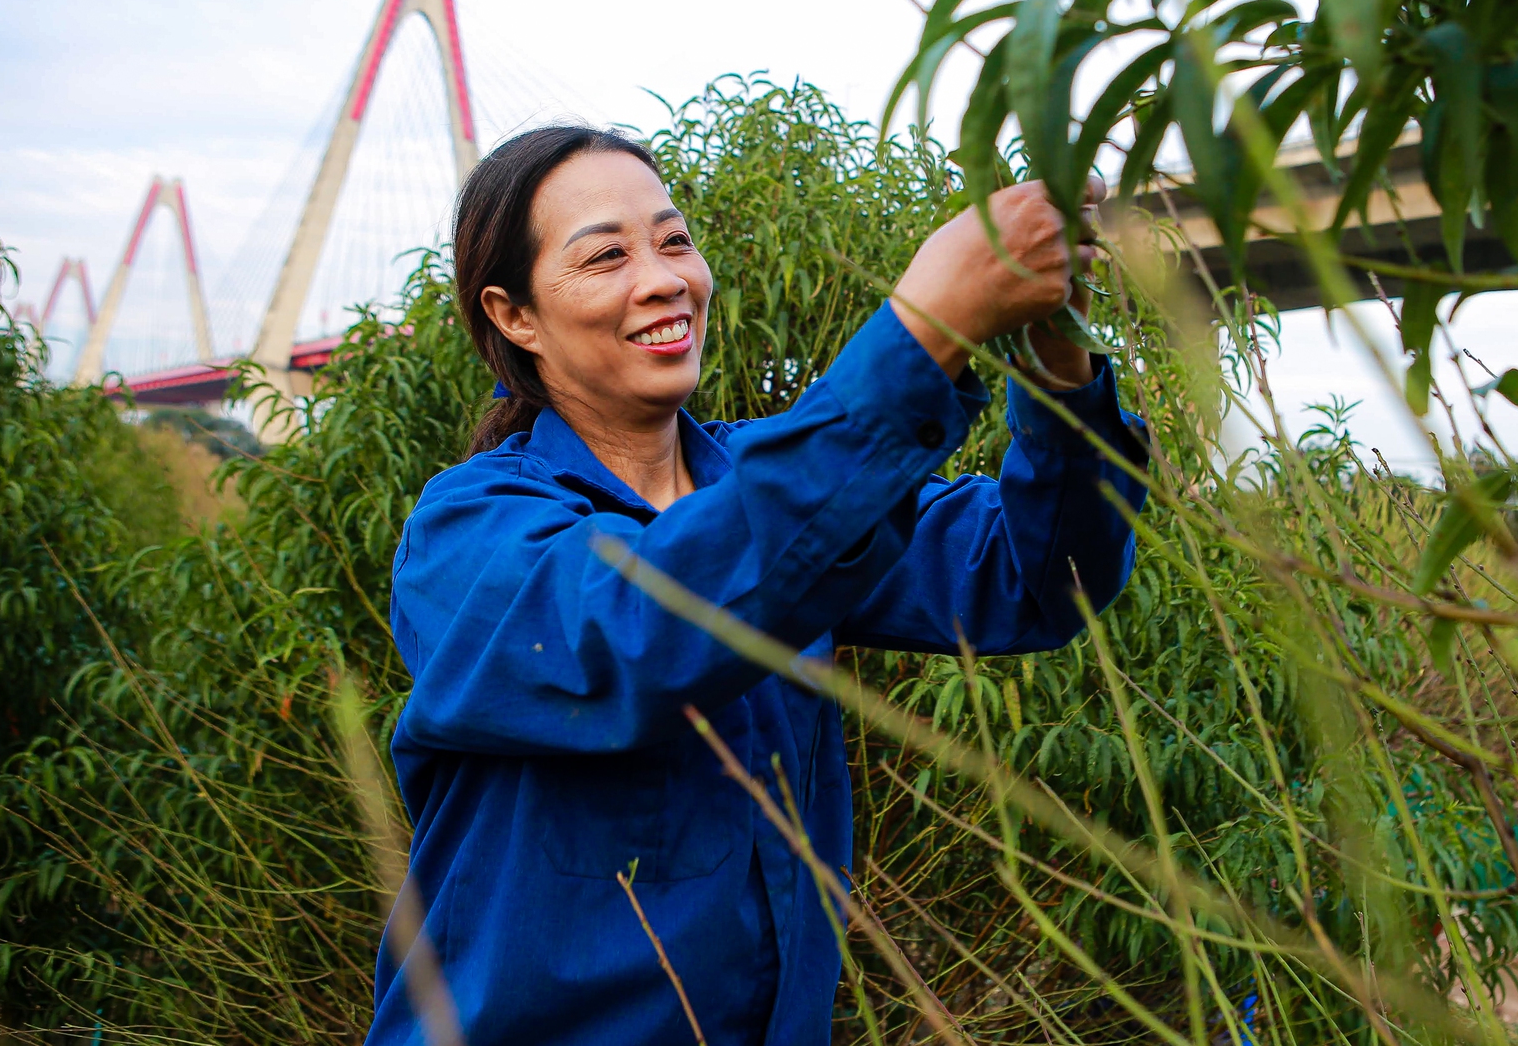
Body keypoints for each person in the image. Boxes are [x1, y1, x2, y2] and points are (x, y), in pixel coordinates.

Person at [369, 125, 1150, 1046]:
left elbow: (1035, 577)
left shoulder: (773, 487)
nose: (663, 278)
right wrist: (923, 330)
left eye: (673, 240)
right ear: (514, 315)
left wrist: (1050, 347)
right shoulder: (465, 532)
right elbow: (634, 627)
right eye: (606, 255)